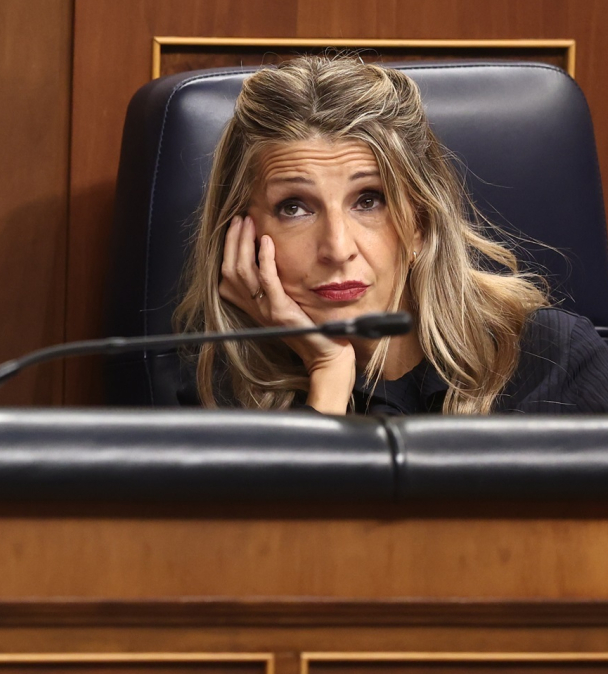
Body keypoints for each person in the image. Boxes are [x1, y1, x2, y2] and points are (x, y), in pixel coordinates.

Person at [175, 55, 608, 415]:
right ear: (243, 234)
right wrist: (328, 369)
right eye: (294, 208)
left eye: (369, 200)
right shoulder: (224, 385)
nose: (337, 249)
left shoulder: (554, 360)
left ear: (420, 221)